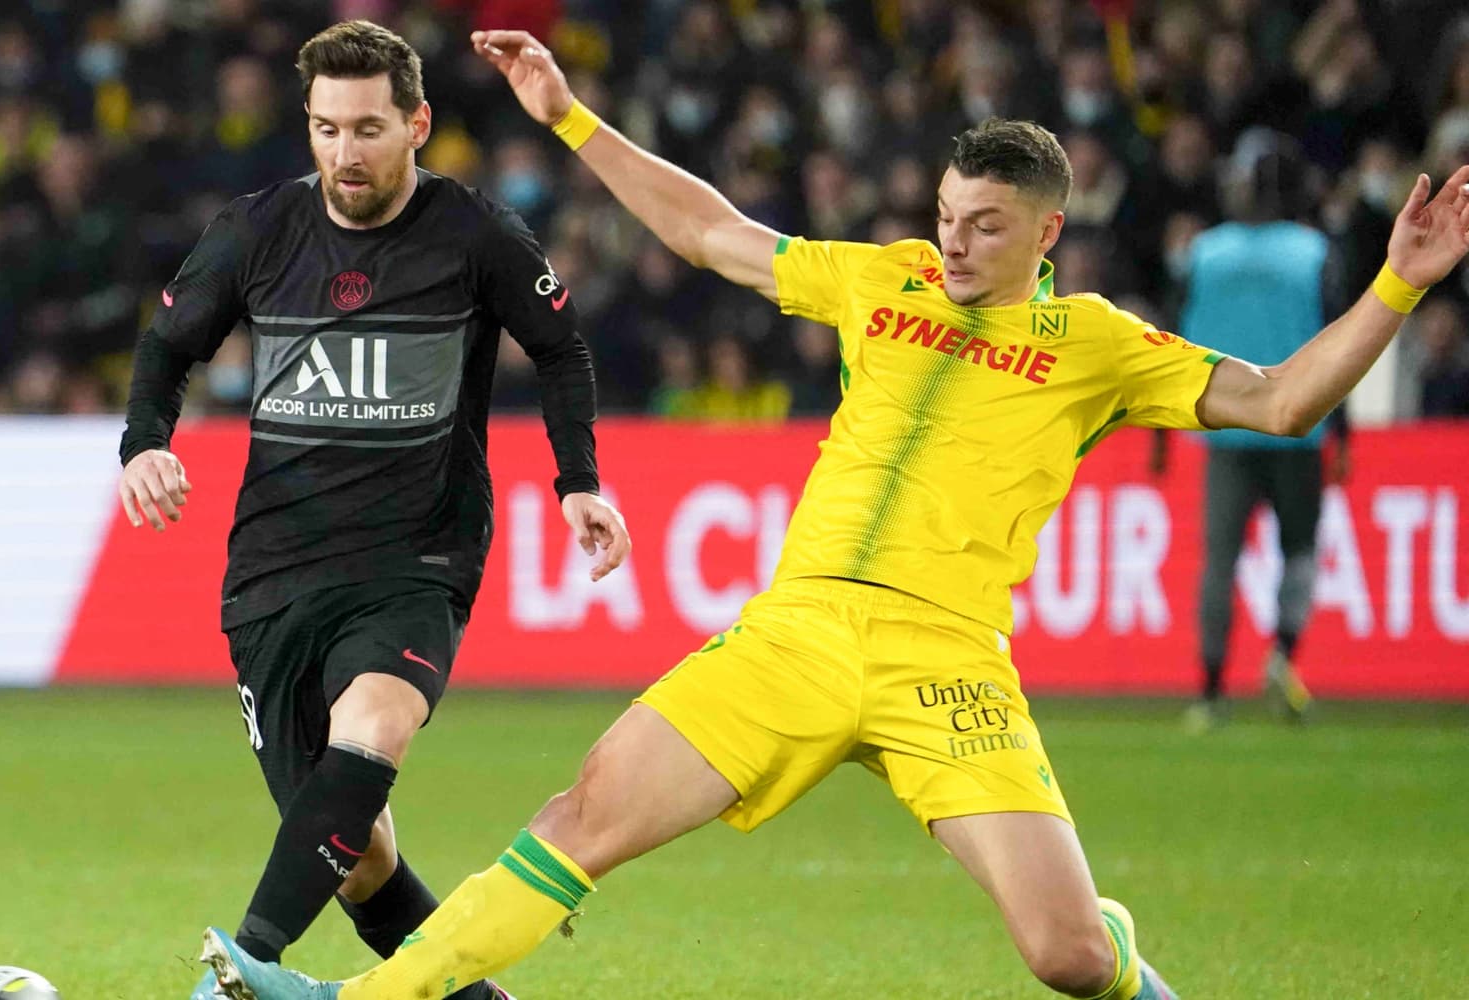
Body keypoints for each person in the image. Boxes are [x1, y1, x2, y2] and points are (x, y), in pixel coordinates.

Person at [194, 29, 1469, 1000]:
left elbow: (1283, 398)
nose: (954, 244)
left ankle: (1121, 955)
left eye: (983, 227)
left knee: (1068, 959)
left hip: (945, 661)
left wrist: (1394, 290)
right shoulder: (883, 282)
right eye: (944, 218)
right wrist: (572, 116)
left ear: (1046, 233)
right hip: (794, 635)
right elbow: (712, 234)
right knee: (580, 815)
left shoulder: (1095, 343)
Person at [114, 21, 631, 1000]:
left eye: (363, 129)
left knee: (375, 731)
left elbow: (559, 350)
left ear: (416, 124)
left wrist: (577, 481)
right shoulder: (258, 228)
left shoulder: (473, 234)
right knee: (354, 856)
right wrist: (144, 442)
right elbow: (166, 346)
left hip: (413, 563)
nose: (342, 154)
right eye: (323, 130)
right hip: (271, 573)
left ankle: (245, 960)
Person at [1156, 129, 1351, 731]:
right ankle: (1284, 656)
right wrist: (1345, 431)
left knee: (1219, 561)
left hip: (1225, 430)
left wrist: (1161, 432)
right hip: (1299, 427)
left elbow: (1164, 339)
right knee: (1298, 553)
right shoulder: (1313, 252)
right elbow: (1340, 345)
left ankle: (1210, 692)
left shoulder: (1203, 253)